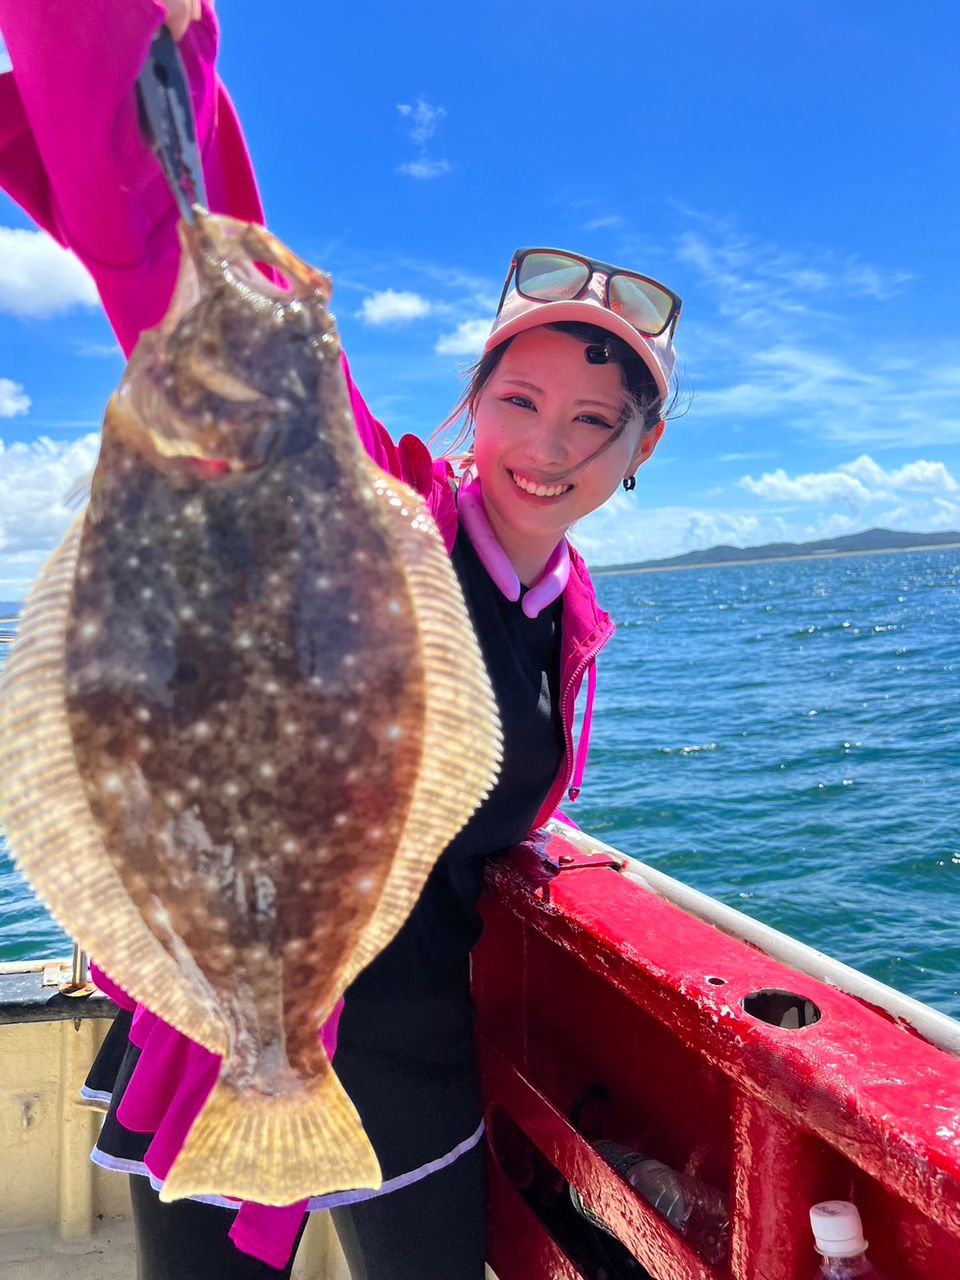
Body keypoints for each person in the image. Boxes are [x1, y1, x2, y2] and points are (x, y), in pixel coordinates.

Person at [0, 4, 681, 1278]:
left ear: (642, 456)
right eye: (519, 399)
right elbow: (200, 273)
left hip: (411, 1058)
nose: (549, 444)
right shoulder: (370, 510)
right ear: (468, 405)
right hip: (222, 1036)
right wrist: (153, 51)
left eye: (598, 421)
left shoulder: (566, 624)